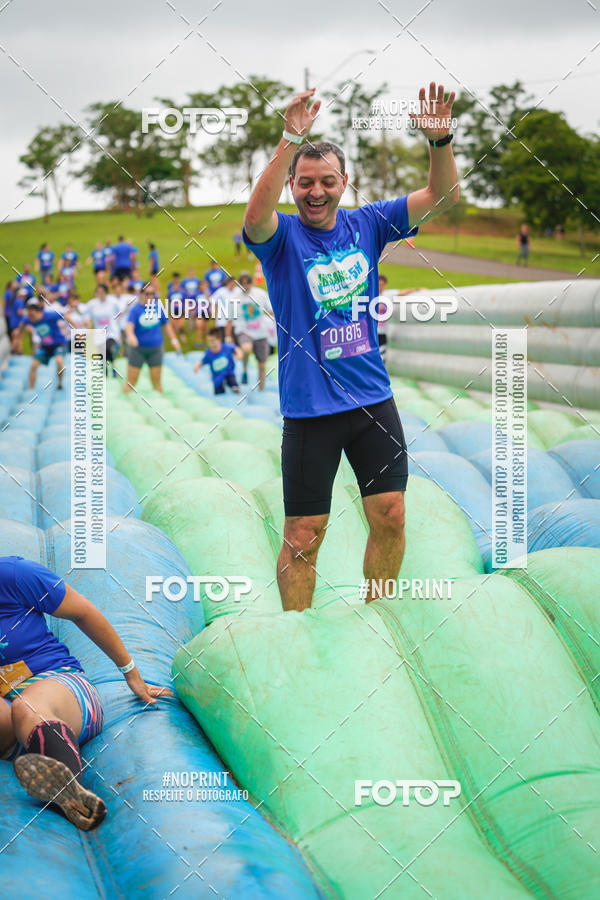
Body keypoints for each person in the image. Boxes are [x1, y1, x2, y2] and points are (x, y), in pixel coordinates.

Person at [242, 82, 459, 611]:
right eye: (306, 183)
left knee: (391, 514)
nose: (316, 192)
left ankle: (378, 615)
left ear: (345, 183)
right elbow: (254, 216)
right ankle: (298, 633)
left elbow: (443, 198)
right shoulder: (282, 240)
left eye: (328, 182)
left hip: (372, 404)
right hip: (311, 410)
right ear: (293, 183)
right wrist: (289, 139)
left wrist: (440, 142)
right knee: (304, 533)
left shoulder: (369, 223)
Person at [0, 555, 171, 830]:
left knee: (27, 707)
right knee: (16, 709)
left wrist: (130, 672)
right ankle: (46, 771)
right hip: (8, 725)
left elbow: (83, 612)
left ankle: (69, 792)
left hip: (61, 690)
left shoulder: (12, 574)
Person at [123, 286, 180, 393]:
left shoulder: (158, 307)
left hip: (155, 349)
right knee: (131, 381)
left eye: (152, 293)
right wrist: (131, 336)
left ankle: (160, 405)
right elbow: (129, 326)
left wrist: (174, 341)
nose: (150, 296)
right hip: (138, 350)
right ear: (141, 294)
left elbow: (167, 326)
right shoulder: (135, 310)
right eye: (147, 293)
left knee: (156, 382)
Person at [23, 298, 77, 389]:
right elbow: (23, 323)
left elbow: (65, 316)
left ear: (38, 312)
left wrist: (76, 329)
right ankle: (31, 390)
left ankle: (60, 383)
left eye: (32, 315)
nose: (30, 318)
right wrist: (20, 331)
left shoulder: (49, 316)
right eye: (29, 316)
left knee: (59, 360)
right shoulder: (29, 320)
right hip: (45, 347)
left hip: (59, 344)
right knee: (33, 365)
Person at [234, 271, 274, 390]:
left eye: (247, 283)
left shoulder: (260, 294)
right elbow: (231, 319)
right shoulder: (235, 298)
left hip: (261, 332)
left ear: (251, 283)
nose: (245, 286)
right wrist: (228, 337)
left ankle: (261, 389)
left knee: (262, 365)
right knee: (246, 348)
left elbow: (270, 311)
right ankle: (245, 370)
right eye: (243, 283)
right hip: (244, 331)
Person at [83, 283, 123, 376]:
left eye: (102, 292)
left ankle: (113, 367)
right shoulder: (92, 304)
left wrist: (120, 331)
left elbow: (120, 315)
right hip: (99, 333)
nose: (100, 295)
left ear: (106, 293)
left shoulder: (113, 302)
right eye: (98, 292)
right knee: (101, 353)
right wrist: (87, 323)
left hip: (111, 332)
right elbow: (84, 314)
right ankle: (104, 369)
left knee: (108, 349)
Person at [194, 328, 242, 394]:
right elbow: (202, 361)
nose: (211, 343)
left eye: (212, 341)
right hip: (217, 377)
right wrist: (197, 366)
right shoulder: (209, 353)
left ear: (219, 340)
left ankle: (235, 388)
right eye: (209, 341)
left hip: (228, 373)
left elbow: (236, 348)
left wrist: (239, 354)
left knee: (231, 380)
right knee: (219, 390)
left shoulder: (226, 347)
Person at [210, 275, 239, 342]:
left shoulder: (238, 290)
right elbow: (213, 301)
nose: (232, 284)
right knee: (223, 340)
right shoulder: (221, 291)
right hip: (222, 320)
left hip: (236, 321)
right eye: (231, 282)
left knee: (234, 340)